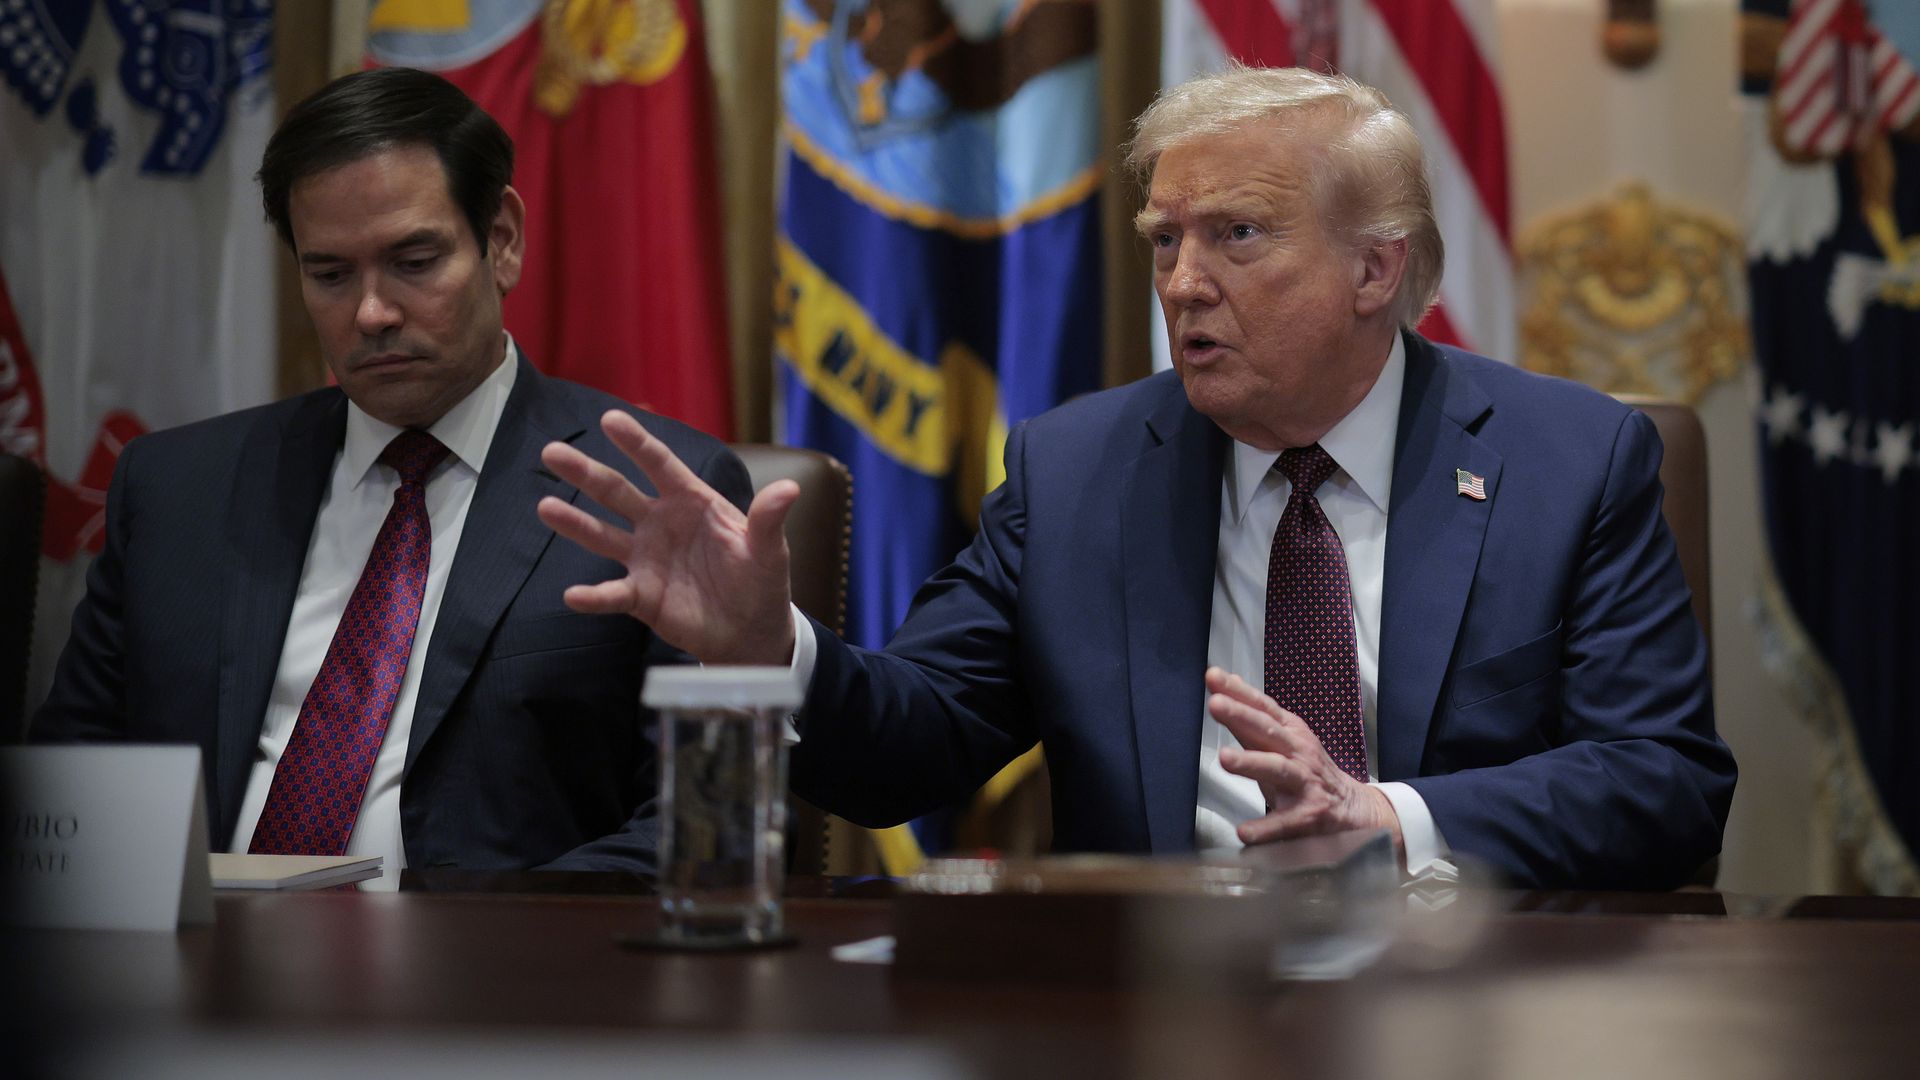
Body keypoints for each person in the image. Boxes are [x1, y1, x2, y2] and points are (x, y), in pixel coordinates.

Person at [539, 67, 1737, 890]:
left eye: (1237, 236)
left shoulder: (1569, 461)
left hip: (1468, 987)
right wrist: (771, 650)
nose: (1181, 283)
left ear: (1377, 270)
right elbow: (911, 753)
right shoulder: (1079, 469)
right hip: (1150, 1000)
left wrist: (1386, 819)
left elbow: (1664, 782)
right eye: (1166, 239)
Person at [32, 68, 751, 883]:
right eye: (331, 274)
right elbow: (68, 796)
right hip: (195, 969)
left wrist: (463, 951)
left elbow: (700, 824)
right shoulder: (174, 488)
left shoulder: (656, 495)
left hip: (490, 987)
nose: (371, 313)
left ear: (502, 239)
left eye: (414, 260)